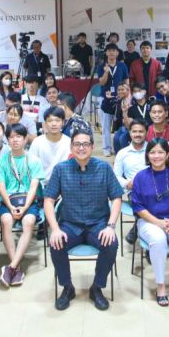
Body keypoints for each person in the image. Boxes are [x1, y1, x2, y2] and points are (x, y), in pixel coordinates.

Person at [45, 130, 123, 311]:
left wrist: (111, 226)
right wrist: (55, 229)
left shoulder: (103, 168)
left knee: (111, 243)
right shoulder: (61, 169)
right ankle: (67, 287)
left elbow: (117, 197)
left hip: (98, 224)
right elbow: (48, 200)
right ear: (71, 147)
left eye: (85, 144)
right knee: (56, 243)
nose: (81, 148)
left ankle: (97, 287)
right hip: (70, 224)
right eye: (77, 144)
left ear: (92, 147)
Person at [131, 138, 169, 306]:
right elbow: (137, 206)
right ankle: (161, 286)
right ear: (147, 154)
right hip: (149, 221)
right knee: (158, 241)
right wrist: (158, 223)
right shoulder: (140, 177)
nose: (156, 156)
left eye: (160, 152)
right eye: (152, 152)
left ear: (167, 155)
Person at [0, 123, 46, 287]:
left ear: (24, 139)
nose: (15, 140)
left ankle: (11, 267)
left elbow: (34, 187)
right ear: (7, 140)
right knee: (7, 221)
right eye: (11, 137)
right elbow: (0, 187)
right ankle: (16, 266)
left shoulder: (33, 160)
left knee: (28, 222)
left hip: (28, 201)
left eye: (18, 137)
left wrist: (24, 207)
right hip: (8, 200)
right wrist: (9, 206)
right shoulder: (1, 161)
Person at [97, 43, 129, 156]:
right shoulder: (101, 66)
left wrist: (127, 94)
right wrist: (106, 71)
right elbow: (102, 82)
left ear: (117, 53)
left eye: (113, 50)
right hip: (105, 98)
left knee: (118, 124)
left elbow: (126, 81)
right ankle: (106, 148)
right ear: (106, 53)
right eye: (109, 50)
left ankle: (117, 147)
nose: (111, 52)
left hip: (119, 98)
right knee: (105, 125)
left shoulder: (122, 66)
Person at [28, 107, 71, 183]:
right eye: (50, 121)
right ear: (45, 123)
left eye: (57, 120)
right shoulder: (37, 142)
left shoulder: (69, 142)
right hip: (42, 185)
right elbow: (31, 166)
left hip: (63, 185)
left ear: (63, 122)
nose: (54, 124)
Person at [146, 100, 169, 166]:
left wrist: (166, 173)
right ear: (150, 114)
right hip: (151, 168)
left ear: (166, 113)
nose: (156, 115)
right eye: (154, 112)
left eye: (160, 112)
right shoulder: (146, 132)